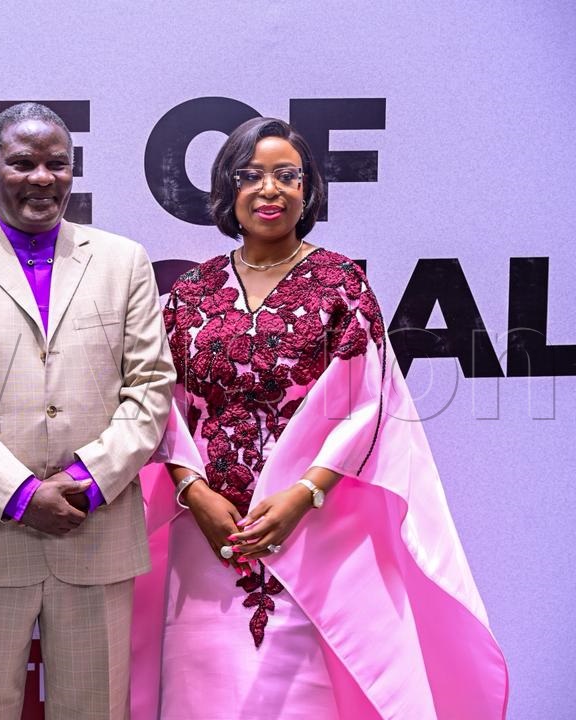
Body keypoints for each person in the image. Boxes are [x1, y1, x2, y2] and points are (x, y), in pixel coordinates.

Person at [133, 117, 509, 719]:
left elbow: (366, 404)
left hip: (308, 537)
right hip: (206, 538)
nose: (269, 190)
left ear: (308, 191)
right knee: (204, 695)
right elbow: (158, 400)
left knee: (301, 696)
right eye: (251, 175)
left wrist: (303, 494)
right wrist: (192, 490)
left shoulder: (340, 285)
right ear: (227, 188)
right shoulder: (191, 293)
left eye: (287, 176)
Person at [0, 102, 175, 719]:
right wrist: (23, 495)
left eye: (57, 164)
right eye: (22, 162)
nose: (41, 177)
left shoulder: (123, 261)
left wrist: (84, 482)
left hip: (94, 531)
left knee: (95, 711)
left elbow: (150, 389)